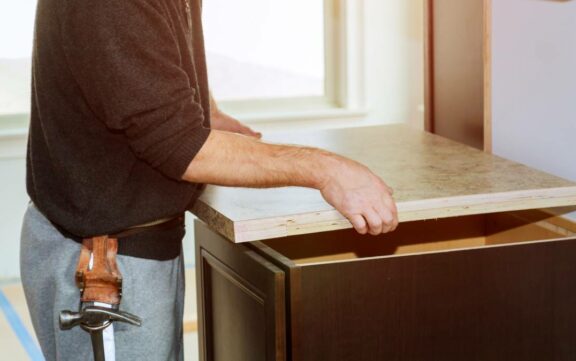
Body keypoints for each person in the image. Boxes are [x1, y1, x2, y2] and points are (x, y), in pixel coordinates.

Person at [21, 0, 398, 360]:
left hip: (129, 245)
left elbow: (156, 51)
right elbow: (181, 148)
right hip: (103, 264)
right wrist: (328, 169)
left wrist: (206, 110)